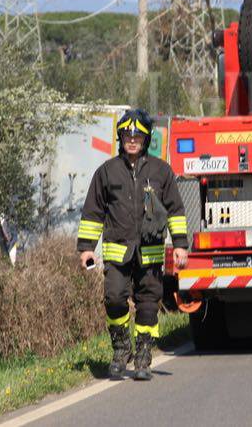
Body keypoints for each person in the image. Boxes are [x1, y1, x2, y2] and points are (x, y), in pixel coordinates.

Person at [76, 109, 189, 380]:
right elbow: (92, 212)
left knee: (148, 304)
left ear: (146, 138)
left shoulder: (161, 171)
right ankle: (120, 348)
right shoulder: (106, 173)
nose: (132, 139)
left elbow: (175, 210)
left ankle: (142, 357)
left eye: (138, 135)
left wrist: (181, 244)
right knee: (114, 298)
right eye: (127, 134)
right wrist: (86, 248)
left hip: (150, 253)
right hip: (118, 252)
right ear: (120, 137)